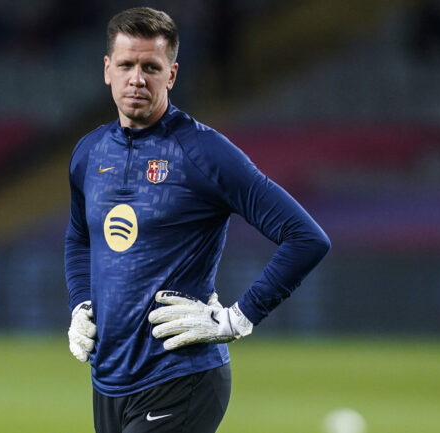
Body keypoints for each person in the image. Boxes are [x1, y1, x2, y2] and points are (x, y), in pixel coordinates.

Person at [64, 7, 330, 433]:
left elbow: (306, 237)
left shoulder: (202, 153)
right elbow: (79, 238)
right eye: (127, 65)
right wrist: (79, 303)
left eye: (151, 67)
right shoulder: (88, 154)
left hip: (180, 379)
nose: (137, 78)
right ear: (107, 70)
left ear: (171, 75)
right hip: (109, 382)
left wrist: (237, 319)